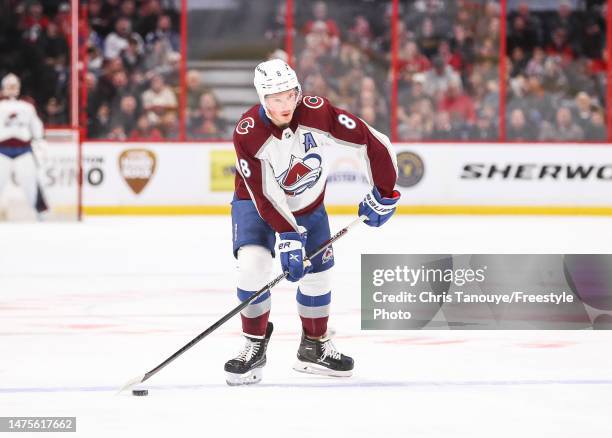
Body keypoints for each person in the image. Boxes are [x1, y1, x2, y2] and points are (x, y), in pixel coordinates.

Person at [225, 59, 400, 386]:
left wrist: (386, 192)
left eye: (290, 95)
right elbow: (265, 195)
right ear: (263, 99)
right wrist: (288, 236)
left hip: (308, 205)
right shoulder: (248, 134)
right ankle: (254, 343)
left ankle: (314, 347)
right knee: (253, 266)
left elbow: (371, 141)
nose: (285, 104)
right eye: (276, 99)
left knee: (318, 277)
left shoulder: (317, 113)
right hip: (255, 203)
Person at [0, 73, 48, 219]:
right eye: (9, 86)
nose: (12, 88)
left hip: (24, 150)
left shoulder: (27, 107)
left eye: (14, 86)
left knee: (31, 183)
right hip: (2, 150)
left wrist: (39, 142)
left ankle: (40, 213)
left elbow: (36, 127)